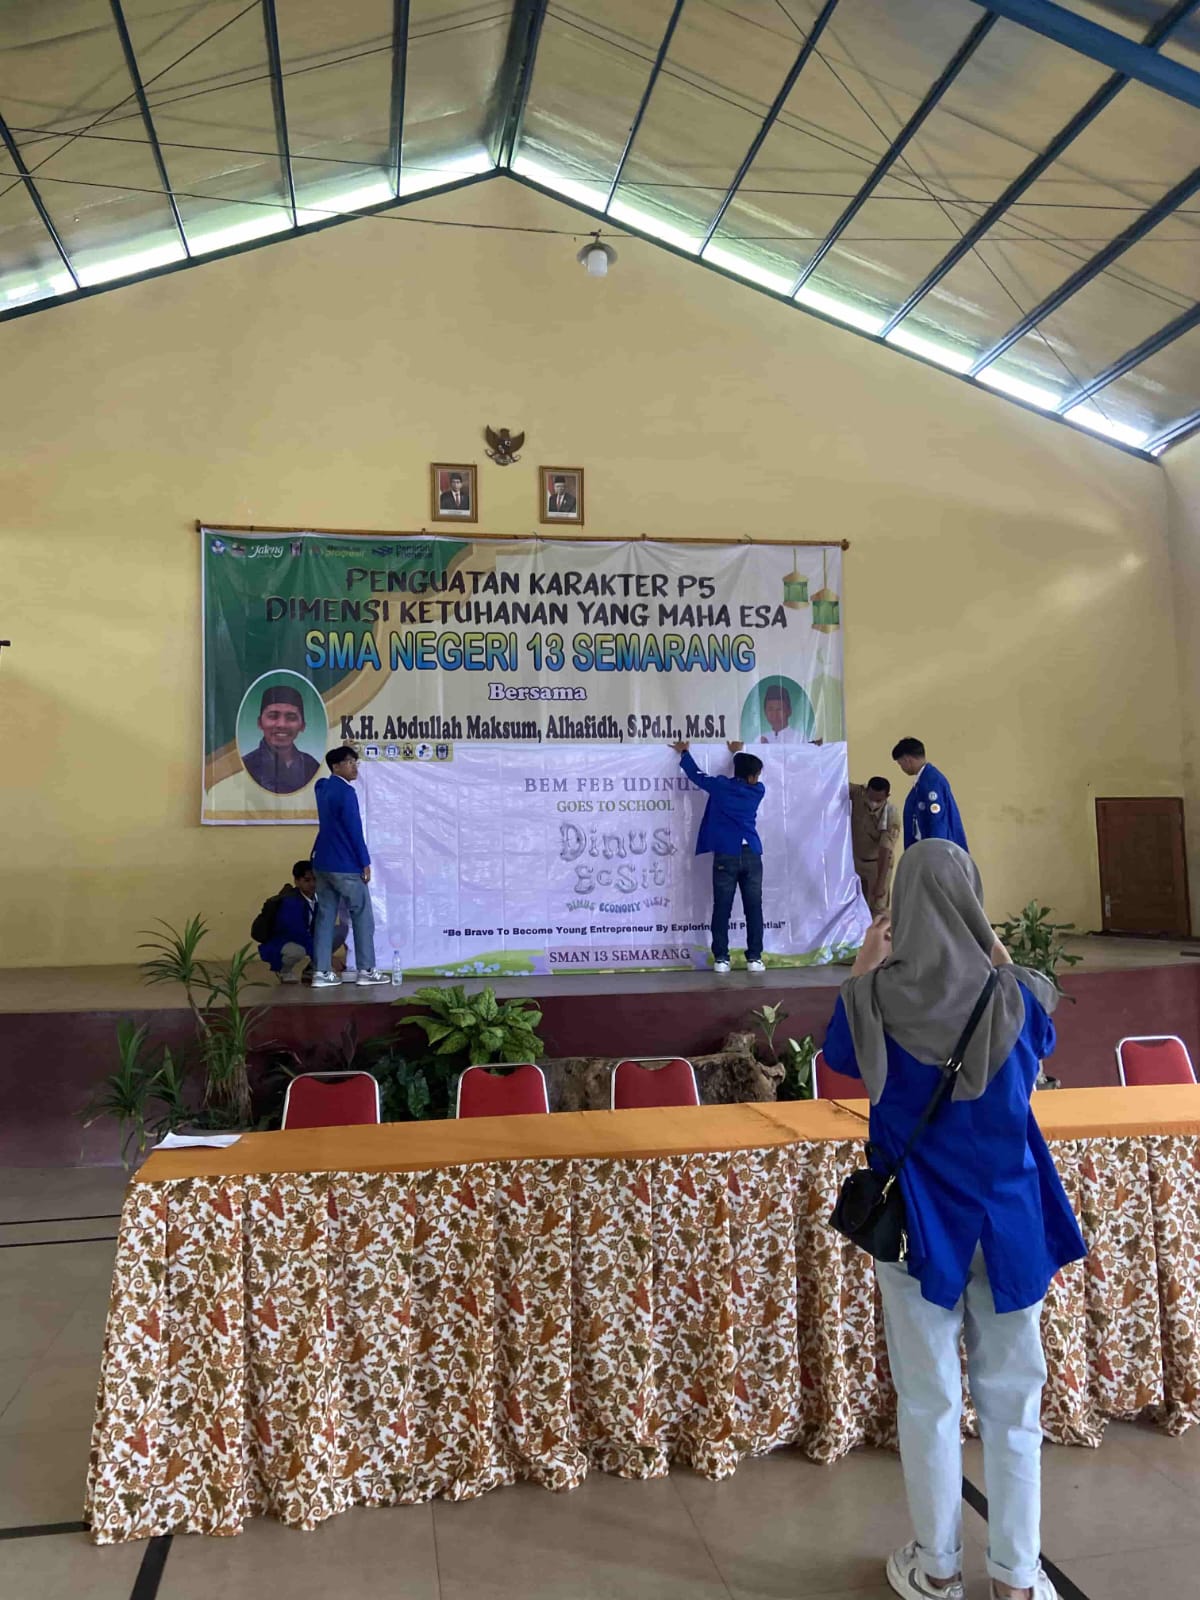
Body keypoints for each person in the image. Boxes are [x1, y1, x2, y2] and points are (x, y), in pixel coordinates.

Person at [822, 841, 1085, 1600]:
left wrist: (864, 965)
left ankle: (937, 1569)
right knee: (1014, 1407)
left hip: (916, 1232)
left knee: (930, 1402)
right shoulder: (1017, 995)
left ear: (898, 905)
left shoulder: (870, 1002)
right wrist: (992, 944)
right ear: (972, 900)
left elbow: (840, 1059)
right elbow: (1045, 1030)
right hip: (1007, 1228)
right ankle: (1016, 1578)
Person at [672, 738, 766, 974]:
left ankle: (721, 959)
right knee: (754, 908)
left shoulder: (722, 786)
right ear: (754, 776)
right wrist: (738, 752)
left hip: (726, 854)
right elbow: (744, 773)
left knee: (721, 907)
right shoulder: (758, 791)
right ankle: (754, 958)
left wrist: (684, 753)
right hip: (752, 854)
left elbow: (697, 775)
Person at [311, 747, 391, 988]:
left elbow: (321, 784)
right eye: (349, 762)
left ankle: (321, 973)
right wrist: (364, 861)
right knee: (362, 915)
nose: (355, 766)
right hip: (345, 864)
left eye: (355, 762)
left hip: (322, 863)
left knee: (325, 918)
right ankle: (366, 970)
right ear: (336, 766)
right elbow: (354, 830)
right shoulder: (347, 793)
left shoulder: (322, 788)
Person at [256, 861, 346, 983]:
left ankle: (313, 969)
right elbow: (299, 935)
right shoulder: (291, 902)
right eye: (307, 880)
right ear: (297, 882)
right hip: (284, 942)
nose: (312, 884)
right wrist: (327, 958)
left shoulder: (318, 898)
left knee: (339, 932)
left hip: (306, 938)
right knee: (297, 951)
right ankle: (284, 971)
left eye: (315, 879)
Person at [242, 685, 321, 796]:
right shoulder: (246, 766)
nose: (281, 724)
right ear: (259, 723)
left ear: (302, 725)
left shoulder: (311, 766)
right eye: (273, 716)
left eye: (291, 717)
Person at [892, 737, 967, 851]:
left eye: (900, 764)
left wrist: (934, 855)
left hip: (937, 854)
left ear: (908, 760)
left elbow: (937, 822)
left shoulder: (930, 783)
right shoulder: (923, 781)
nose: (902, 768)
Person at [850, 776, 900, 912]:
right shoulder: (858, 794)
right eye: (871, 798)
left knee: (877, 909)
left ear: (887, 796)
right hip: (857, 860)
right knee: (855, 907)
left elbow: (885, 850)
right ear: (866, 791)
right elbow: (837, 782)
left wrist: (880, 883)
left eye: (878, 800)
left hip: (877, 864)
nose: (873, 803)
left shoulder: (890, 815)